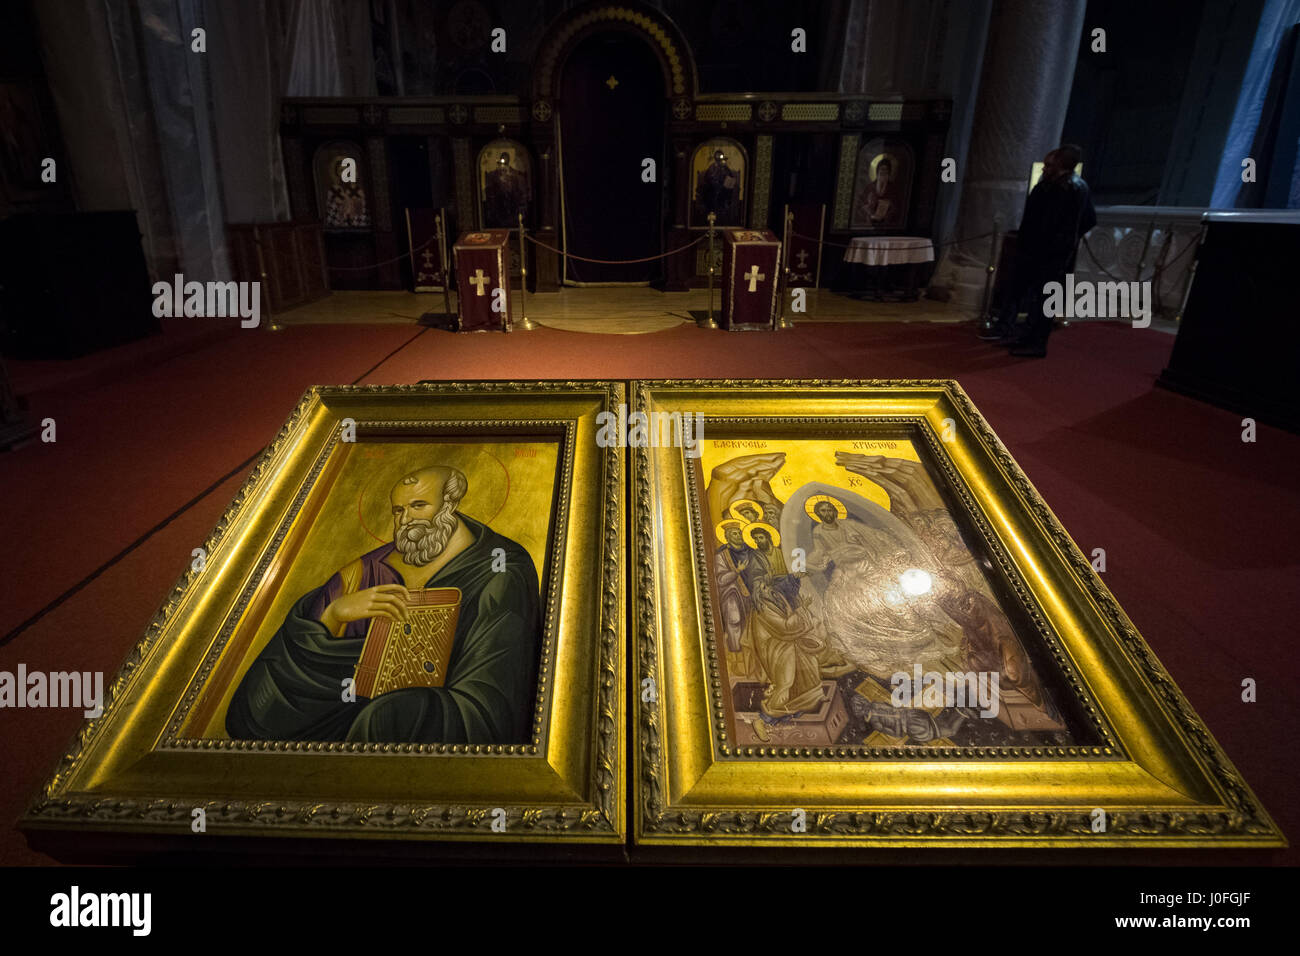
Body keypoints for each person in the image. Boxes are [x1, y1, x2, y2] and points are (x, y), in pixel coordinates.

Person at [226, 466, 541, 744]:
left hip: (440, 718)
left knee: (389, 718)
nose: (405, 521)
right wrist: (334, 615)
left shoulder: (501, 567)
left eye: (418, 506)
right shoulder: (361, 573)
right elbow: (278, 682)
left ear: (450, 504)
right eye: (398, 510)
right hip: (342, 714)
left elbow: (494, 687)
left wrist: (406, 706)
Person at [984, 144, 1096, 357]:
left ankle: (1036, 344)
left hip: (1051, 254)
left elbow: (1085, 220)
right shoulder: (1050, 185)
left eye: (1049, 164)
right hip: (1037, 250)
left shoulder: (1070, 188)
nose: (1044, 168)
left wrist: (1064, 240)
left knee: (1044, 300)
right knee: (1030, 295)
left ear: (1061, 164)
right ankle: (1024, 336)